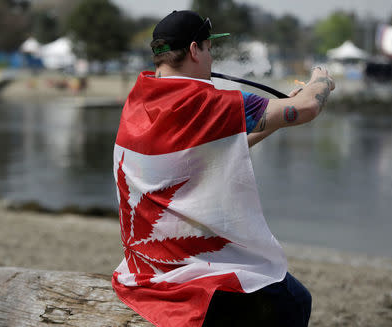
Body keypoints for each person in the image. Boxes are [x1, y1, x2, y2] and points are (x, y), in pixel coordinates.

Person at [112, 10, 335, 327]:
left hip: (147, 262)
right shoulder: (208, 102)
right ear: (193, 50)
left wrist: (273, 123)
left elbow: (208, 154)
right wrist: (321, 79)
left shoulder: (140, 98)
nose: (211, 57)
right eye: (208, 48)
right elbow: (307, 108)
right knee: (296, 300)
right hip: (188, 262)